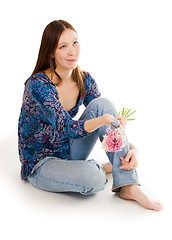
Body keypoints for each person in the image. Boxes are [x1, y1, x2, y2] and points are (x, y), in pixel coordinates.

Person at [18, 20, 162, 211]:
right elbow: (66, 127)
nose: (73, 51)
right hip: (42, 162)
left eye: (75, 43)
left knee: (103, 104)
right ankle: (100, 169)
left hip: (70, 149)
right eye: (63, 46)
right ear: (51, 52)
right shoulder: (39, 85)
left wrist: (132, 149)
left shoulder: (83, 78)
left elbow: (105, 116)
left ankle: (128, 185)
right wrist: (103, 120)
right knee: (94, 178)